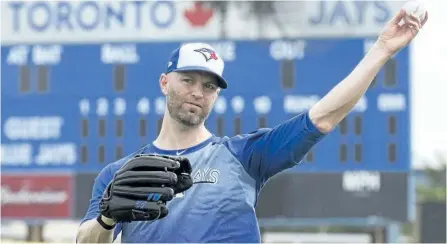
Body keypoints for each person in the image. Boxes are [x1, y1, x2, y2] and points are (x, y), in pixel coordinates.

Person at [76, 8, 428, 243]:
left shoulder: (244, 155)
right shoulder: (120, 174)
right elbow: (85, 240)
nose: (198, 92)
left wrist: (382, 50)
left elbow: (322, 116)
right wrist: (107, 218)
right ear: (165, 82)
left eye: (209, 86)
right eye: (188, 80)